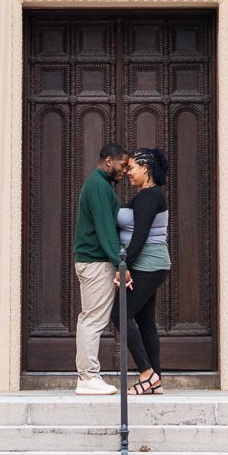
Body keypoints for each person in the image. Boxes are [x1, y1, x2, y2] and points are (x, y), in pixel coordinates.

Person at [72, 141, 130, 395]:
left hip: (91, 261)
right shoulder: (98, 186)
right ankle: (88, 377)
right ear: (109, 161)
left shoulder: (99, 185)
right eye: (122, 165)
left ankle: (88, 375)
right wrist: (120, 262)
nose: (125, 170)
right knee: (93, 319)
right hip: (95, 263)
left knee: (90, 318)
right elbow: (106, 229)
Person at [111, 146, 170, 395]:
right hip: (153, 264)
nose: (128, 173)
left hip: (148, 264)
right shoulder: (152, 195)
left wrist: (124, 265)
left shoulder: (148, 197)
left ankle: (146, 372)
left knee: (119, 314)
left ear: (146, 168)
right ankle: (155, 381)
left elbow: (140, 236)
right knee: (146, 322)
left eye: (132, 168)